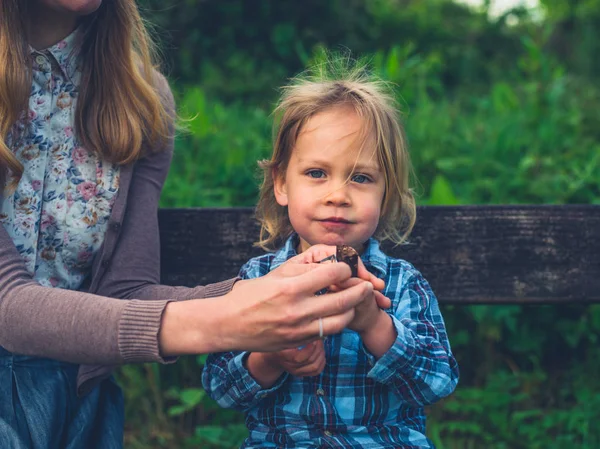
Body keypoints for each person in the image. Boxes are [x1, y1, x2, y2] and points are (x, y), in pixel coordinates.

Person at [0, 2, 389, 448]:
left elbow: (126, 291)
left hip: (81, 400)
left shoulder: (139, 95)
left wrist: (274, 285)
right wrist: (228, 319)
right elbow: (6, 305)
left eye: (360, 178)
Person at [202, 57, 460, 449]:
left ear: (385, 194)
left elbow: (436, 382)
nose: (338, 195)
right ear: (282, 184)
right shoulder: (258, 280)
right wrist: (269, 356)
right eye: (317, 173)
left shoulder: (402, 284)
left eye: (360, 177)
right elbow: (221, 389)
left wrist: (374, 324)